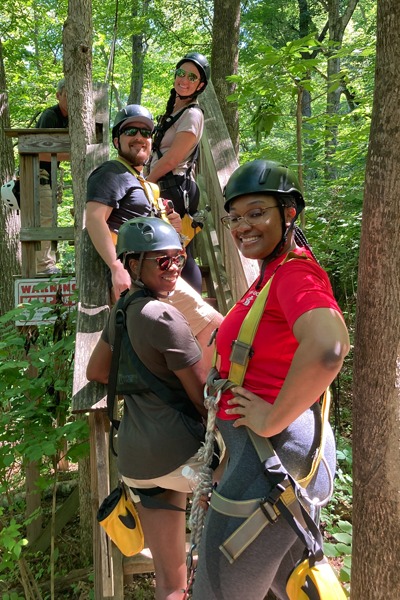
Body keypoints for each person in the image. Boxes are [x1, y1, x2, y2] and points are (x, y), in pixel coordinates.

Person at [192, 160, 350, 600]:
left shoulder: (294, 274)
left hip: (269, 459)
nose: (243, 225)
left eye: (257, 212)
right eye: (235, 217)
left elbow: (329, 347)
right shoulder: (271, 275)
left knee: (218, 591)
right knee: (283, 588)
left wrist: (271, 418)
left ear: (289, 213)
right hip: (265, 458)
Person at [86, 217, 210, 600]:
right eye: (161, 261)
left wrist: (144, 379)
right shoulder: (166, 317)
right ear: (133, 263)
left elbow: (97, 370)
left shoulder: (122, 309)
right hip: (182, 460)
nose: (174, 267)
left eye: (178, 257)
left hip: (139, 464)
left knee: (169, 584)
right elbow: (203, 398)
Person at [86, 104, 222, 368]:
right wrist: (116, 267)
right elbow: (94, 219)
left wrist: (167, 224)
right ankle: (211, 397)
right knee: (215, 328)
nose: (140, 137)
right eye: (130, 131)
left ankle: (203, 394)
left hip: (161, 270)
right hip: (141, 274)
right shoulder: (111, 173)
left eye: (146, 132)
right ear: (117, 140)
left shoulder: (142, 182)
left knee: (197, 336)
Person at [147, 53, 211, 294]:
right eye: (181, 73)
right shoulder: (174, 112)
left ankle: (193, 304)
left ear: (200, 85)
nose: (184, 80)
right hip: (165, 185)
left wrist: (145, 183)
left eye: (192, 77)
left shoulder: (192, 114)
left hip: (176, 187)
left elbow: (173, 159)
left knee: (181, 249)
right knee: (168, 248)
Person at [35, 78, 69, 274]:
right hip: (38, 174)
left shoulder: (69, 117)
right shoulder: (50, 115)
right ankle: (43, 266)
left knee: (51, 218)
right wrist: (75, 154)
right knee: (45, 218)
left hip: (49, 176)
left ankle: (49, 263)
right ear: (58, 95)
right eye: (67, 95)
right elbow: (41, 152)